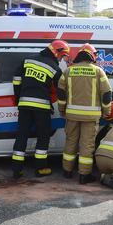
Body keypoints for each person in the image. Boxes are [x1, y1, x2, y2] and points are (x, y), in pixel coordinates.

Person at [11, 40, 70, 179]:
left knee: (21, 135)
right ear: (57, 52)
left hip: (24, 105)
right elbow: (61, 89)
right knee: (43, 137)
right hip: (42, 108)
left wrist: (20, 97)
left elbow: (16, 80)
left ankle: (16, 170)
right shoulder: (55, 68)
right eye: (62, 56)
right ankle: (40, 168)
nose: (61, 59)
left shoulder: (27, 60)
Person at [58, 43, 112, 184]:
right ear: (91, 55)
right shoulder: (98, 72)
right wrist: (107, 111)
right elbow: (107, 94)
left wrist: (62, 110)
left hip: (71, 116)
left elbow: (61, 94)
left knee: (70, 142)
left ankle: (67, 171)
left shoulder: (68, 71)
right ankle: (84, 175)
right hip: (91, 117)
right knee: (86, 145)